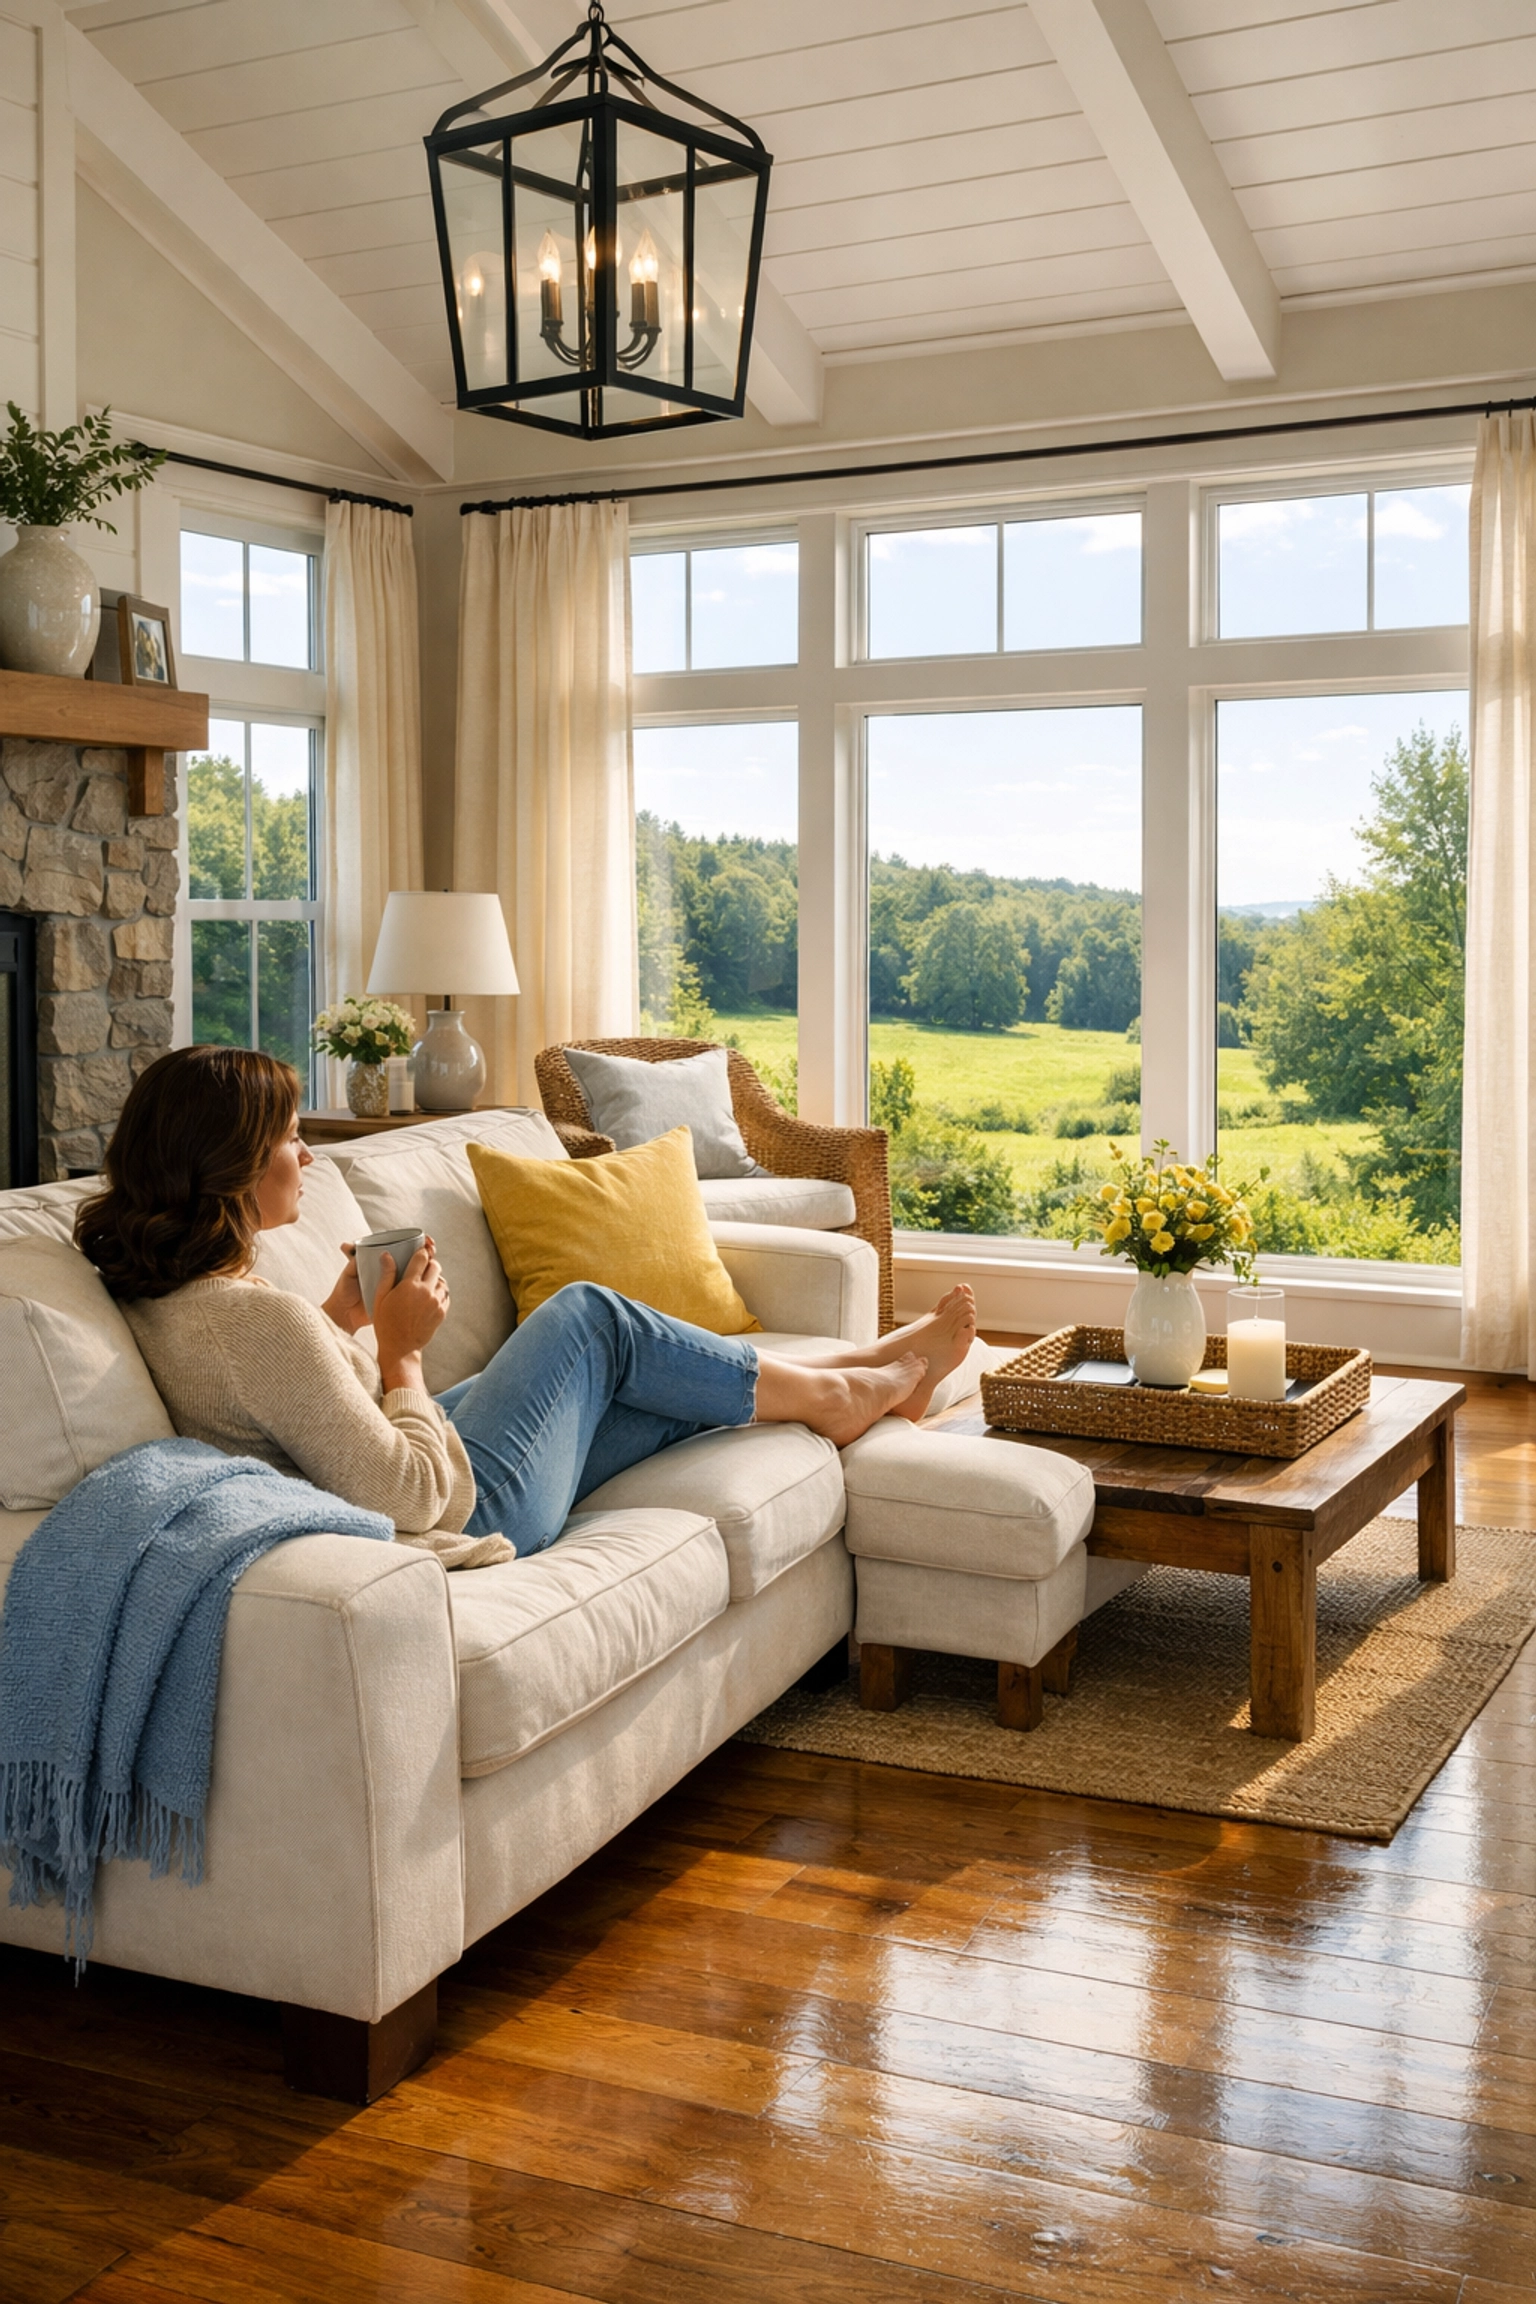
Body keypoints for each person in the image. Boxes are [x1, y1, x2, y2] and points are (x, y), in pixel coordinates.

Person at [77, 1047, 978, 1558]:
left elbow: (275, 1404)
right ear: (227, 1164)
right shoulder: (250, 1318)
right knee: (592, 1318)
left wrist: (341, 1319)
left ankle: (852, 1373)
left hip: (375, 1461)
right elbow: (417, 1495)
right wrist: (400, 1355)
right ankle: (841, 1392)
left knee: (645, 1379)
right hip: (468, 1502)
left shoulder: (176, 1294)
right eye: (287, 1138)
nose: (307, 1156)